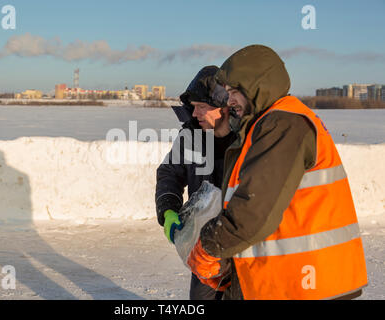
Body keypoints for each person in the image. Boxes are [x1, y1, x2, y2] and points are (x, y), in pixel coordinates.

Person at [186, 45, 368, 300]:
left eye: (235, 91)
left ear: (258, 85)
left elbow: (254, 209)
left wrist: (209, 246)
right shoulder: (267, 123)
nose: (230, 101)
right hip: (292, 282)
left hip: (311, 283)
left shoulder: (283, 123)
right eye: (227, 93)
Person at [155, 65, 237, 300]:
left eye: (202, 107)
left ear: (225, 108)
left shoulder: (246, 139)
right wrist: (168, 209)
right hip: (205, 245)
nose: (194, 114)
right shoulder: (191, 136)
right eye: (193, 107)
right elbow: (169, 172)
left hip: (241, 241)